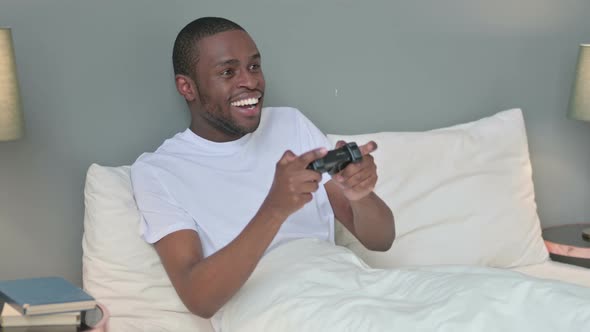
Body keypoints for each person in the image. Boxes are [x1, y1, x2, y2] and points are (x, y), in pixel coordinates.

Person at [130, 16, 395, 322]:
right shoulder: (159, 171)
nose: (251, 81)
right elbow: (199, 298)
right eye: (228, 72)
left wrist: (360, 194)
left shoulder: (290, 123)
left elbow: (381, 239)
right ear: (187, 87)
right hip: (278, 311)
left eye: (254, 66)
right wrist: (275, 208)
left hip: (352, 288)